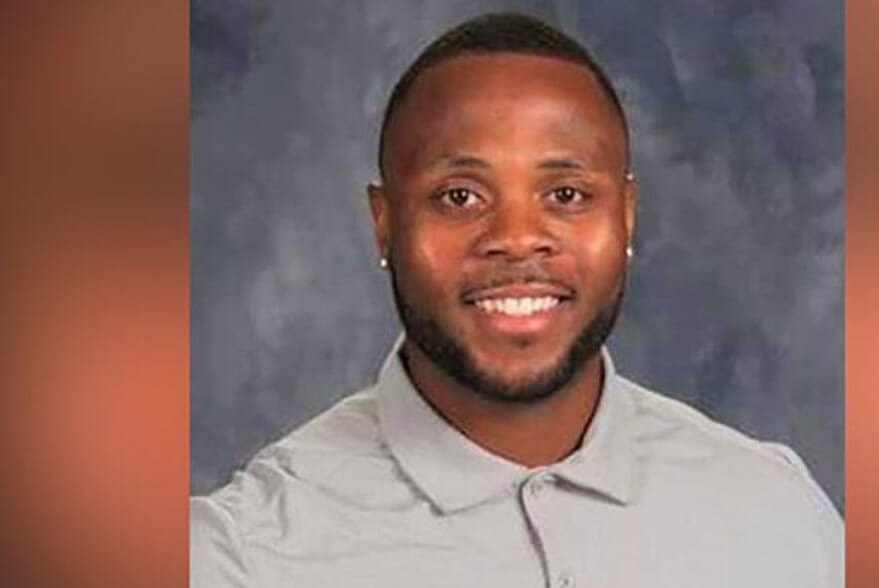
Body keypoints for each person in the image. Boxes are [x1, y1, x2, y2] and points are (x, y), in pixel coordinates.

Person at [190, 12, 843, 588]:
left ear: (626, 216)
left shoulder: (776, 513)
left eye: (566, 195)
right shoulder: (240, 555)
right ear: (385, 225)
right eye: (460, 197)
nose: (517, 237)